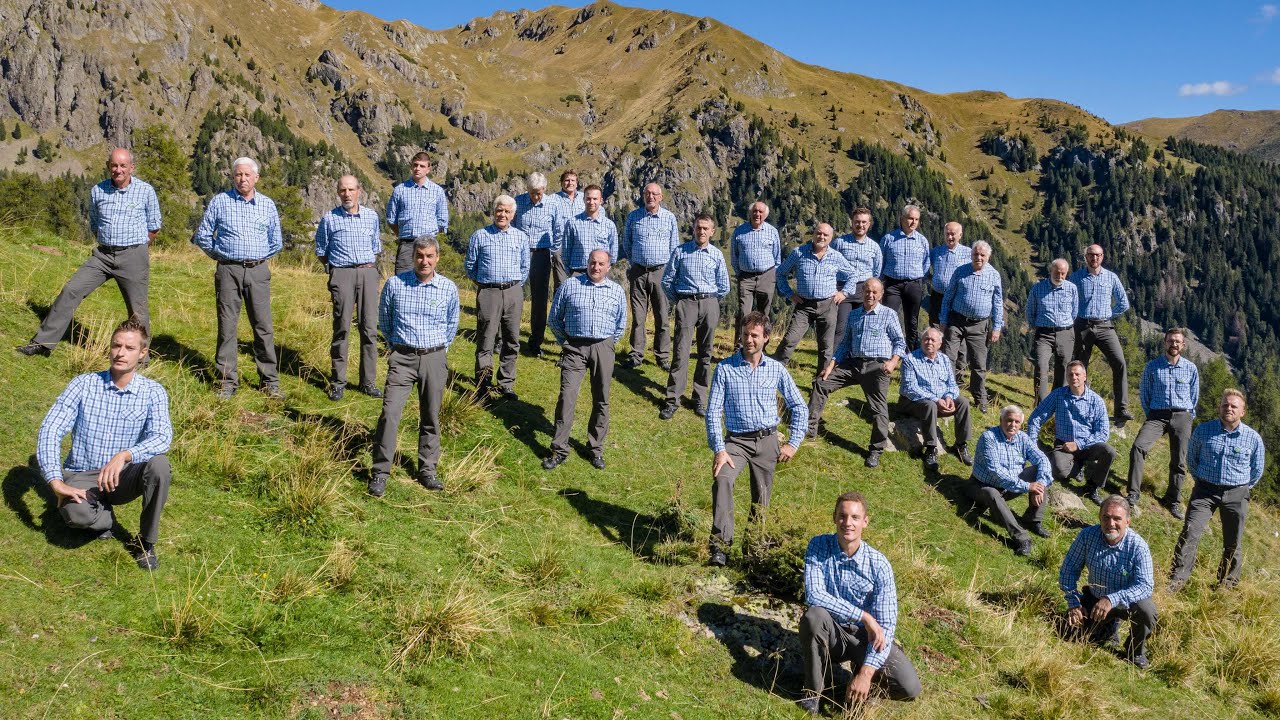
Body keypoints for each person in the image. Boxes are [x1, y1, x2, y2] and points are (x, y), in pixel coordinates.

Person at [36, 317, 172, 570]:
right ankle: (103, 520)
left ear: (142, 353)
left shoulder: (153, 392)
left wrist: (126, 455)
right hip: (82, 474)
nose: (120, 353)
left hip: (123, 477)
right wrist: (55, 482)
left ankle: (145, 542)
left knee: (160, 465)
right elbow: (50, 429)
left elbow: (162, 437)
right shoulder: (83, 384)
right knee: (76, 516)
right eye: (116, 345)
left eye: (129, 348)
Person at [19, 148, 160, 357]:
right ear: (108, 166)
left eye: (123, 166)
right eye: (114, 165)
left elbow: (154, 226)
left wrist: (137, 247)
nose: (118, 170)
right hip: (102, 256)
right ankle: (43, 343)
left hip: (133, 256)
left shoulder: (145, 191)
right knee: (71, 291)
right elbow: (94, 222)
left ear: (131, 167)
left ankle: (140, 357)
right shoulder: (98, 191)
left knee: (137, 309)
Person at [799, 491, 922, 714]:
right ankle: (813, 691)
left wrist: (866, 672)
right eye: (842, 516)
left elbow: (885, 625)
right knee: (813, 616)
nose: (848, 523)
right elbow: (814, 595)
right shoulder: (818, 546)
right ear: (834, 518)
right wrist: (863, 616)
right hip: (831, 631)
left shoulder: (879, 565)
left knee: (909, 687)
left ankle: (861, 686)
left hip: (864, 638)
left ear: (865, 522)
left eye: (855, 517)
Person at [705, 311, 808, 567]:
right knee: (723, 480)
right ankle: (720, 546)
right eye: (745, 334)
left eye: (754, 335)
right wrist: (719, 449)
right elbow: (713, 412)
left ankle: (753, 547)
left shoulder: (776, 369)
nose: (748, 340)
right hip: (736, 443)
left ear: (766, 338)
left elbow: (799, 406)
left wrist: (793, 442)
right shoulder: (725, 369)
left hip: (767, 441)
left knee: (761, 497)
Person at [368, 237, 460, 497]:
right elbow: (385, 321)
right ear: (413, 257)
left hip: (434, 358)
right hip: (403, 358)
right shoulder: (395, 284)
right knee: (390, 413)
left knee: (430, 415)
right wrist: (398, 348)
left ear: (437, 258)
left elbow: (451, 325)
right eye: (420, 255)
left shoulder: (448, 288)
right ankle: (380, 472)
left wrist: (438, 350)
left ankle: (427, 470)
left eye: (430, 256)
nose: (424, 261)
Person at [192, 156, 283, 399]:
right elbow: (202, 236)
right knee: (227, 327)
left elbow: (276, 242)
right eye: (238, 175)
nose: (242, 179)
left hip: (258, 271)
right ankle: (226, 382)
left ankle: (269, 381)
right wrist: (221, 256)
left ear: (256, 178)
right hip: (228, 271)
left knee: (263, 327)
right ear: (233, 177)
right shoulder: (220, 202)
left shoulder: (267, 205)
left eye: (247, 175)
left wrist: (258, 258)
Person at [1168, 389, 1265, 591]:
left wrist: (1243, 488)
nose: (1228, 408)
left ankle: (1226, 585)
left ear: (1242, 412)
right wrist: (1202, 480)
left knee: (1233, 541)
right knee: (1190, 531)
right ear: (1220, 408)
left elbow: (1257, 469)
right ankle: (1177, 579)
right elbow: (1192, 459)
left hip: (1237, 494)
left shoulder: (1253, 439)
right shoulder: (1203, 431)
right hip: (1205, 491)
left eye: (1233, 406)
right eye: (1225, 405)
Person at [807, 278, 905, 468]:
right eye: (867, 291)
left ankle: (875, 450)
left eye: (875, 292)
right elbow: (844, 344)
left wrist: (893, 362)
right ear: (862, 292)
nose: (870, 295)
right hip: (853, 364)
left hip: (877, 366)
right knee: (821, 383)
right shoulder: (854, 315)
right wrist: (831, 365)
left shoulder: (888, 314)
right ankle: (810, 429)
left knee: (878, 410)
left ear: (881, 294)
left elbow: (900, 342)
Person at [543, 249, 627, 471]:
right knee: (567, 396)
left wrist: (607, 344)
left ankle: (595, 449)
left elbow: (621, 324)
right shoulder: (570, 285)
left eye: (601, 264)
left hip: (603, 347)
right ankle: (559, 449)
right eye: (592, 263)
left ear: (608, 267)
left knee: (601, 398)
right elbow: (554, 318)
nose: (596, 267)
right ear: (587, 263)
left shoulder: (616, 291)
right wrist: (566, 342)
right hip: (574, 347)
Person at [1059, 495, 1157, 669]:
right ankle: (1108, 629)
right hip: (1095, 598)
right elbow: (1068, 570)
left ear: (1128, 521)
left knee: (1147, 610)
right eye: (1106, 517)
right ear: (1100, 518)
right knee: (1075, 637)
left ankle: (1135, 652)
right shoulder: (1087, 536)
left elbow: (1145, 585)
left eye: (1117, 519)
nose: (1111, 523)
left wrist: (1112, 599)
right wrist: (1073, 603)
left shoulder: (1138, 546)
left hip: (1127, 603)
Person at [315, 175, 383, 401]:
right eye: (342, 190)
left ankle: (368, 382)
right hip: (342, 273)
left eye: (351, 189)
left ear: (359, 191)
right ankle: (338, 382)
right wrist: (336, 271)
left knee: (369, 329)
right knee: (342, 327)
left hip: (368, 272)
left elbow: (376, 246)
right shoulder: (329, 219)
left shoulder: (371, 217)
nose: (347, 194)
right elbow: (321, 251)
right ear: (338, 193)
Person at [659, 213, 730, 420]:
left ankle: (699, 398)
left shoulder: (716, 255)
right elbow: (667, 281)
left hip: (710, 303)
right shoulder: (680, 252)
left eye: (705, 228)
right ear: (693, 228)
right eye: (698, 227)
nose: (701, 232)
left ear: (712, 232)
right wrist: (679, 302)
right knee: (680, 352)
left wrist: (712, 302)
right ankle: (672, 399)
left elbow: (724, 286)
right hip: (686, 303)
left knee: (705, 353)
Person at [1127, 328, 1200, 518]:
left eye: (1177, 341)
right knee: (1138, 447)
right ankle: (1133, 493)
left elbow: (1194, 395)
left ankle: (1173, 500)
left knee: (1179, 461)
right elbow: (1145, 394)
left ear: (1183, 345)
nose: (1174, 344)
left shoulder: (1190, 368)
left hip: (1182, 416)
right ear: (1164, 343)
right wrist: (1150, 413)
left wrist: (1189, 415)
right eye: (1170, 341)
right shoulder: (1152, 367)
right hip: (1157, 416)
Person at [465, 195, 531, 400]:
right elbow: (470, 266)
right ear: (494, 211)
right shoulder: (480, 236)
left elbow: (524, 266)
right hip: (488, 292)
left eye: (507, 211)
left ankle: (506, 383)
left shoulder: (521, 237)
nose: (502, 214)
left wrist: (513, 286)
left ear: (513, 214)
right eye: (499, 210)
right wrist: (485, 285)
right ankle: (483, 383)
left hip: (513, 292)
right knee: (486, 339)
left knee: (511, 339)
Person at [1026, 360, 1116, 505]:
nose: (1074, 377)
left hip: (1088, 445)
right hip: (1064, 445)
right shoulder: (1058, 395)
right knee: (1060, 472)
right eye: (1070, 374)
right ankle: (1077, 468)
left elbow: (1103, 432)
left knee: (1109, 451)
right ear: (1067, 377)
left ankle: (1092, 487)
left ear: (1084, 376)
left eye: (1077, 374)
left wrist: (1079, 444)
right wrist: (1031, 443)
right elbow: (1036, 417)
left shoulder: (1096, 401)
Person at [772, 223, 853, 377]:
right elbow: (780, 273)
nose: (821, 237)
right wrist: (789, 293)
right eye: (819, 233)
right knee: (790, 339)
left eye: (825, 235)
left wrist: (844, 293)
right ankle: (774, 371)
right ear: (814, 233)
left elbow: (852, 275)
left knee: (826, 346)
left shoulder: (836, 256)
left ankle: (820, 382)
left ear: (831, 238)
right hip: (804, 305)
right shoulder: (799, 253)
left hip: (828, 305)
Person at [971, 405, 1053, 556]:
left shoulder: (1023, 438)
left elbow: (1042, 459)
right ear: (1001, 420)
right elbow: (996, 473)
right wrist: (1028, 486)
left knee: (1039, 472)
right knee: (992, 493)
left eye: (1017, 422)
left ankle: (1033, 520)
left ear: (1021, 424)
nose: (1012, 425)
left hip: (1010, 486)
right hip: (982, 486)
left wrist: (1039, 485)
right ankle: (1022, 538)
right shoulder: (988, 438)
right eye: (1009, 420)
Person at [1070, 244, 1132, 424]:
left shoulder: (1111, 277)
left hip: (1105, 326)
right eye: (1090, 255)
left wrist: (1109, 314)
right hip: (1082, 325)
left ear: (1102, 257)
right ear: (1086, 257)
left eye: (1097, 255)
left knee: (1119, 362)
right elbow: (1068, 298)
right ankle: (1079, 405)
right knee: (1080, 368)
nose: (1094, 258)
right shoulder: (1076, 277)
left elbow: (1123, 302)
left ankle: (1121, 409)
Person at [939, 240, 1003, 413]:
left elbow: (998, 303)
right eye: (976, 254)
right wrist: (943, 321)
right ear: (971, 254)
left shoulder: (994, 275)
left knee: (978, 363)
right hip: (956, 321)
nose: (979, 258)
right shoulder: (960, 271)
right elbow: (948, 298)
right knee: (949, 358)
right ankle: (948, 394)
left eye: (982, 255)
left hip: (979, 325)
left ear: (988, 256)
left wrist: (997, 327)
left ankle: (980, 398)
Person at [622, 183, 679, 370]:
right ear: (643, 196)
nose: (650, 197)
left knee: (662, 316)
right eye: (647, 193)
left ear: (661, 197)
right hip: (638, 271)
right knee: (638, 317)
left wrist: (670, 272)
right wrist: (635, 261)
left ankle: (662, 356)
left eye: (654, 194)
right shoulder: (633, 217)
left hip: (660, 272)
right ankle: (636, 354)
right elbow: (627, 243)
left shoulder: (669, 218)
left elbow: (674, 247)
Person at [899, 327, 973, 469]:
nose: (929, 342)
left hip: (940, 401)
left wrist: (949, 397)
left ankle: (961, 445)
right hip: (912, 403)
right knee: (930, 405)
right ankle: (931, 449)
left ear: (940, 344)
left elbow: (952, 383)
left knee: (963, 402)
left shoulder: (944, 359)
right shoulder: (910, 359)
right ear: (921, 341)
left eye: (933, 340)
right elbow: (910, 389)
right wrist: (935, 399)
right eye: (926, 339)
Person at [515, 172, 567, 357]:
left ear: (544, 189)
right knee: (513, 297)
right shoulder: (518, 202)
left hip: (541, 255)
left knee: (539, 301)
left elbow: (558, 231)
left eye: (538, 192)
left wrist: (552, 252)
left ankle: (535, 343)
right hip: (518, 255)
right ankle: (507, 339)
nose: (535, 196)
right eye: (531, 192)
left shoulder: (553, 205)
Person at [385, 152, 449, 274]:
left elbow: (442, 222)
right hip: (407, 245)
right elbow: (391, 219)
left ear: (428, 169)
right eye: (415, 165)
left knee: (426, 282)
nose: (417, 169)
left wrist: (431, 241)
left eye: (422, 166)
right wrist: (403, 235)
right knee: (402, 282)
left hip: (429, 246)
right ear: (411, 166)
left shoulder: (437, 191)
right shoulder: (400, 190)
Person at [1026, 258, 1079, 403]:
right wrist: (1035, 326)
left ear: (1066, 273)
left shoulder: (1072, 288)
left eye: (1063, 274)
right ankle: (1041, 404)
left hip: (1066, 333)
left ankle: (1058, 402)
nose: (1060, 276)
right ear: (1051, 271)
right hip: (1044, 334)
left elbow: (1074, 312)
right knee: (1041, 367)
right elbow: (1030, 311)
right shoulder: (1038, 288)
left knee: (1063, 370)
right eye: (1057, 272)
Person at [730, 201, 782, 346]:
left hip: (767, 275)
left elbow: (777, 257)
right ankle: (740, 345)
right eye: (754, 211)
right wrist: (739, 273)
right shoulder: (739, 231)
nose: (757, 214)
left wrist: (773, 275)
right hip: (745, 277)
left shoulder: (772, 231)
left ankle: (761, 346)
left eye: (760, 212)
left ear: (765, 215)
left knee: (764, 313)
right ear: (750, 213)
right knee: (743, 312)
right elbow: (734, 256)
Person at [879, 204, 930, 351]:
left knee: (912, 321)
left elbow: (926, 263)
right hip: (892, 285)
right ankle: (886, 351)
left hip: (914, 284)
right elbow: (881, 261)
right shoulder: (888, 239)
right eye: (910, 218)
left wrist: (919, 278)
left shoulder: (922, 241)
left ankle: (911, 354)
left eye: (916, 219)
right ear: (902, 219)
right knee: (888, 317)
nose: (913, 222)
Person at [830, 207, 882, 350]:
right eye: (857, 222)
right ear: (852, 223)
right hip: (844, 289)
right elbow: (831, 266)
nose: (860, 225)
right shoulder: (839, 243)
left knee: (863, 326)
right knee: (841, 327)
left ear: (869, 224)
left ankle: (857, 357)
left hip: (865, 291)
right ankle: (834, 361)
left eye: (864, 222)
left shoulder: (875, 247)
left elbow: (876, 272)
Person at [559, 185, 618, 276]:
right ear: (583, 199)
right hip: (578, 272)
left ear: (601, 201)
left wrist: (605, 269)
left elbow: (613, 253)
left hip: (600, 273)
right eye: (588, 199)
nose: (591, 202)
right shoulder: (572, 223)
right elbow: (566, 251)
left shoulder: (609, 225)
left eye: (595, 199)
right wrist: (569, 271)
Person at [927, 221, 971, 329]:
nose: (949, 237)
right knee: (935, 326)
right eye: (947, 234)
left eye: (953, 234)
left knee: (952, 328)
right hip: (937, 296)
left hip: (955, 298)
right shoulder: (937, 251)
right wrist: (929, 278)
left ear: (960, 235)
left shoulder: (968, 253)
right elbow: (923, 264)